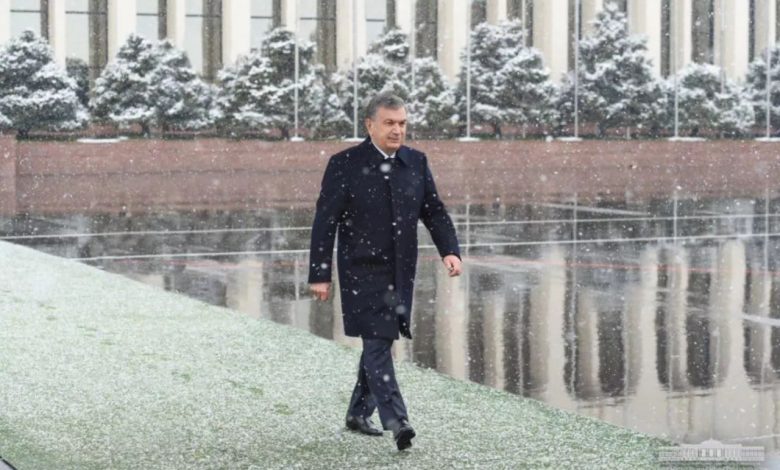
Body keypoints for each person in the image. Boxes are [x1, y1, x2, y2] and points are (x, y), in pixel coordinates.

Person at [308, 91, 462, 451]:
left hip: (400, 272)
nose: (397, 130)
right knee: (378, 342)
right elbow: (324, 221)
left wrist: (449, 251)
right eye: (390, 123)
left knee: (381, 340)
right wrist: (320, 273)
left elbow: (434, 211)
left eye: (402, 123)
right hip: (361, 271)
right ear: (369, 125)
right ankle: (398, 420)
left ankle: (358, 412)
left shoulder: (416, 163)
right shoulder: (344, 164)